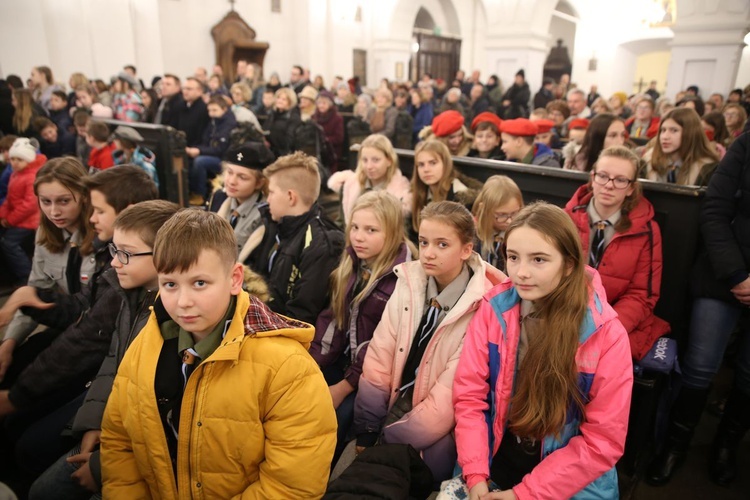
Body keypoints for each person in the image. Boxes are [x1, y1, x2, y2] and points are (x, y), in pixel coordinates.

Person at [100, 209, 337, 498]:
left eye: (200, 283)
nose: (183, 302)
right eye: (170, 284)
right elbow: (119, 438)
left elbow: (293, 485)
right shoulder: (148, 341)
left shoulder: (288, 368)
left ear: (235, 278)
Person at [445, 201, 632, 499]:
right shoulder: (494, 310)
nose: (521, 273)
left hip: (570, 478)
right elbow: (470, 397)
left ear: (568, 264)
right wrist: (476, 475)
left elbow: (601, 442)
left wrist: (523, 495)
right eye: (513, 257)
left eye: (539, 260)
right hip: (496, 454)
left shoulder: (605, 334)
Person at [26, 200, 175, 500]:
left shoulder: (175, 317)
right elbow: (113, 363)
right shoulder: (131, 295)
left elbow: (159, 412)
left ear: (164, 257)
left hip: (138, 447)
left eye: (126, 254)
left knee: (44, 490)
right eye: (114, 251)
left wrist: (101, 465)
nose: (115, 263)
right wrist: (94, 422)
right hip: (113, 423)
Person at [353, 201, 506, 484]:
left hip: (429, 433)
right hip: (388, 410)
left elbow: (447, 399)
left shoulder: (482, 305)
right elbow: (379, 356)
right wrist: (368, 427)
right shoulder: (409, 282)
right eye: (424, 242)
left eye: (442, 244)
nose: (429, 253)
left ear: (466, 249)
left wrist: (388, 438)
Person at [645, 132, 750, 488]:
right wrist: (737, 273)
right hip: (725, 272)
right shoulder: (746, 143)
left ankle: (726, 446)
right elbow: (716, 208)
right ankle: (675, 448)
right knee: (700, 366)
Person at [310, 191, 414, 465]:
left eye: (370, 230)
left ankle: (321, 479)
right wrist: (311, 364)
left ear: (391, 234)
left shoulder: (401, 281)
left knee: (337, 416)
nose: (358, 236)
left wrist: (343, 386)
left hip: (372, 375)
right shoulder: (352, 264)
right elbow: (332, 321)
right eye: (355, 227)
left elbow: (381, 349)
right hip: (346, 358)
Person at [565, 145, 670, 359]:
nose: (609, 186)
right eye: (603, 176)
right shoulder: (565, 219)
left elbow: (642, 295)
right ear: (592, 178)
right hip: (564, 314)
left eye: (621, 180)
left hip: (613, 321)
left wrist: (603, 328)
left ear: (631, 188)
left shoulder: (647, 230)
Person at [0, 158, 96, 388]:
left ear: (83, 195)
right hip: (67, 324)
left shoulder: (102, 235)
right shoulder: (45, 233)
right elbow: (36, 292)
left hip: (94, 335)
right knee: (12, 369)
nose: (54, 211)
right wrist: (8, 343)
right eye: (45, 201)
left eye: (63, 201)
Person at [250, 152, 344, 324]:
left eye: (271, 193)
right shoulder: (278, 227)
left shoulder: (321, 245)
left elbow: (301, 317)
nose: (267, 200)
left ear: (291, 197)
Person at [327, 134, 411, 226]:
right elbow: (342, 223)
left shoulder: (401, 193)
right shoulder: (349, 186)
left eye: (376, 160)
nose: (369, 166)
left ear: (389, 160)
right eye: (365, 160)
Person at [210, 143, 274, 263]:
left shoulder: (266, 213)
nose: (232, 181)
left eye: (242, 177)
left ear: (260, 183)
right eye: (229, 172)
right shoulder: (219, 198)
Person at [0, 139, 46, 284]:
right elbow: (9, 198)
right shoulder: (16, 174)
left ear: (28, 159)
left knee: (8, 244)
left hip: (29, 220)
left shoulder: (31, 177)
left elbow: (29, 206)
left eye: (19, 159)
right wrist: (3, 215)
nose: (14, 162)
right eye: (12, 159)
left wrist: (11, 219)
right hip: (19, 217)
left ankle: (26, 274)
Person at [410, 140, 478, 236]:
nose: (426, 169)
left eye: (433, 163)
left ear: (445, 164)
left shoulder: (460, 196)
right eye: (421, 165)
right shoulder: (419, 193)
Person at [644, 107, 719, 186]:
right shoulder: (647, 163)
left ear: (690, 133)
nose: (665, 136)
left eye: (674, 130)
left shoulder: (708, 170)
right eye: (663, 130)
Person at [186, 96, 238, 204]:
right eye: (209, 110)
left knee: (200, 162)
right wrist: (196, 149)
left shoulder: (229, 124)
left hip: (224, 159)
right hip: (212, 154)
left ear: (224, 109)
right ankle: (190, 191)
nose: (211, 113)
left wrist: (199, 151)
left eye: (214, 110)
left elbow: (221, 149)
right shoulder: (214, 122)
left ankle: (200, 194)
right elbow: (205, 140)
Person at [471, 175, 523, 272]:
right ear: (484, 210)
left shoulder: (522, 234)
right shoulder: (471, 234)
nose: (509, 221)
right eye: (502, 215)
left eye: (514, 213)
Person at [263, 87, 301, 158]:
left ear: (290, 102)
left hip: (283, 154)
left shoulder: (294, 117)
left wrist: (271, 137)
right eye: (278, 98)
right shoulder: (272, 114)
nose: (279, 101)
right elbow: (265, 129)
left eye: (284, 99)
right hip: (269, 151)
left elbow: (289, 142)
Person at [313, 90, 344, 166]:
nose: (321, 105)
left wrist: (325, 140)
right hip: (316, 153)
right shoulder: (314, 117)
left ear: (330, 104)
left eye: (324, 103)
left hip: (331, 154)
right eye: (319, 103)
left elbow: (339, 138)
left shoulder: (337, 118)